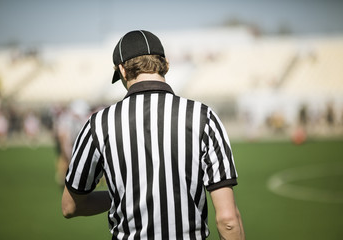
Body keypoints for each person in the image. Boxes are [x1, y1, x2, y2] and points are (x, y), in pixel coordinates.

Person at [62, 30, 245, 240]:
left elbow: (69, 206)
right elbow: (228, 220)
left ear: (121, 69)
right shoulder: (203, 117)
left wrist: (124, 196)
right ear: (166, 64)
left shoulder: (99, 124)